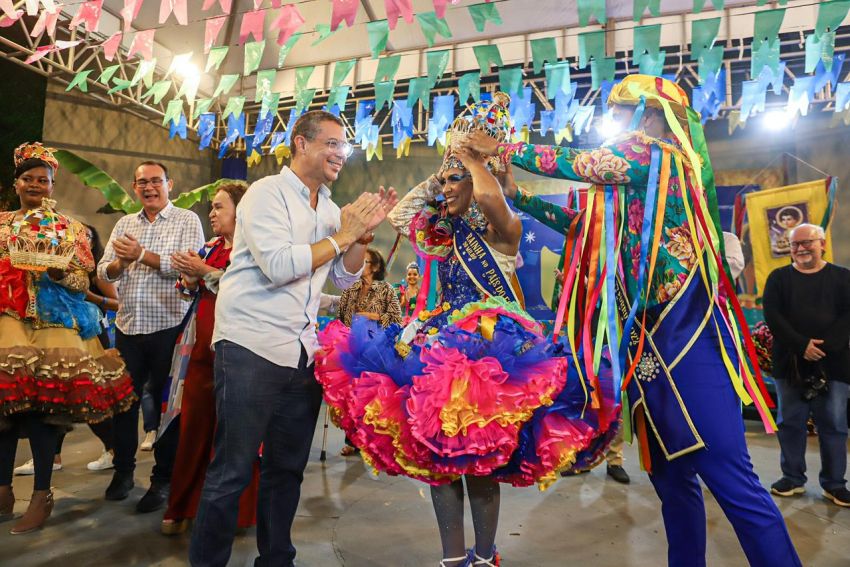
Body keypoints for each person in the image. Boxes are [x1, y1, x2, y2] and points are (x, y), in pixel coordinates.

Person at [465, 75, 801, 566]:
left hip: (688, 342)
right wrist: (520, 196)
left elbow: (587, 163)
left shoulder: (661, 157)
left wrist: (506, 148)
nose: (614, 124)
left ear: (649, 114)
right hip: (649, 348)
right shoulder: (635, 186)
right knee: (671, 482)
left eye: (621, 113)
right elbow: (583, 227)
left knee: (733, 482)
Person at [316, 95, 618, 567]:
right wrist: (449, 166)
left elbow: (490, 197)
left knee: (479, 466)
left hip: (490, 357)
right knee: (439, 461)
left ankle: (484, 555)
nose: (444, 185)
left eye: (454, 176)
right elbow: (403, 214)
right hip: (441, 350)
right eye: (443, 177)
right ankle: (452, 558)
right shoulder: (444, 233)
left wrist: (475, 158)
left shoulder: (504, 229)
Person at [189, 110, 396, 567]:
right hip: (249, 345)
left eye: (344, 145)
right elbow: (281, 266)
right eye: (332, 143)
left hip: (302, 352)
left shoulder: (327, 208)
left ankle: (277, 559)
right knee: (233, 471)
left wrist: (359, 237)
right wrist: (342, 235)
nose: (341, 153)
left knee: (286, 470)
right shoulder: (265, 194)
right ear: (301, 143)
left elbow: (342, 280)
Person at [0, 142, 135, 534]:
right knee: (4, 414)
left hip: (54, 327)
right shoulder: (2, 223)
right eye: (29, 178)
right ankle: (4, 491)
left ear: (53, 184)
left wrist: (58, 273)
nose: (36, 184)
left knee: (45, 415)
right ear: (17, 183)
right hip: (8, 322)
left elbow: (81, 280)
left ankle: (42, 494)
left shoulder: (70, 228)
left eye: (44, 179)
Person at [97, 161, 205, 511]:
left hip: (170, 327)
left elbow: (189, 266)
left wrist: (140, 255)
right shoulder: (125, 223)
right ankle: (124, 472)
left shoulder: (187, 220)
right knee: (123, 405)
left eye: (155, 181)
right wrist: (119, 265)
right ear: (134, 188)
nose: (148, 188)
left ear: (169, 184)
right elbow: (104, 268)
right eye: (142, 182)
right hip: (127, 327)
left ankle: (162, 481)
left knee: (166, 409)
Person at [159, 181, 260, 535]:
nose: (212, 214)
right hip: (201, 350)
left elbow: (245, 290)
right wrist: (189, 277)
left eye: (219, 207)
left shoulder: (255, 251)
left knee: (232, 435)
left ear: (241, 210)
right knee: (192, 431)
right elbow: (190, 290)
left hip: (240, 350)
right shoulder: (210, 247)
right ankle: (182, 505)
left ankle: (233, 514)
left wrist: (204, 273)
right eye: (211, 208)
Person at [12, 223, 118, 477]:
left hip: (84, 331)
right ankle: (53, 457)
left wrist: (86, 294)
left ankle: (115, 451)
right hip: (45, 330)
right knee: (52, 398)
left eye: (88, 237)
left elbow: (112, 300)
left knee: (85, 397)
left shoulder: (90, 268)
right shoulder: (41, 257)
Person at [763, 223, 850, 507]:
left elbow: (847, 316)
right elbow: (773, 317)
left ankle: (835, 484)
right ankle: (792, 478)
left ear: (822, 243)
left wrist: (823, 348)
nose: (801, 248)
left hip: (835, 365)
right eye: (795, 244)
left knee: (834, 425)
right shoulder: (778, 279)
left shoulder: (842, 278)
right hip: (790, 364)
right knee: (790, 423)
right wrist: (802, 346)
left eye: (807, 242)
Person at [336, 247, 402, 457]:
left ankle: (372, 441)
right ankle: (351, 440)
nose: (359, 264)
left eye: (364, 262)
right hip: (352, 348)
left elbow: (396, 320)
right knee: (351, 396)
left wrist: (374, 318)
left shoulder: (386, 290)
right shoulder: (350, 289)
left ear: (374, 267)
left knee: (372, 398)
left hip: (376, 351)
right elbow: (341, 317)